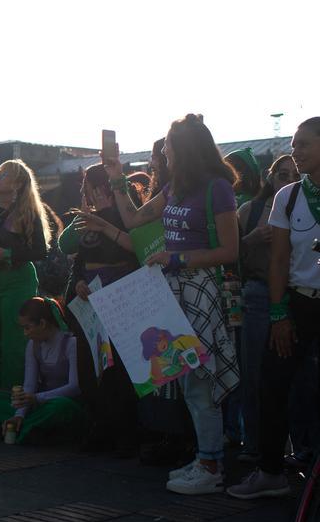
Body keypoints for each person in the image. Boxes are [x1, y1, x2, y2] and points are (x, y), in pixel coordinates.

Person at [106, 114, 239, 495]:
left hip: (200, 290)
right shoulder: (173, 189)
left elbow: (230, 250)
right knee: (187, 379)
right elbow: (133, 220)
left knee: (201, 382)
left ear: (184, 149)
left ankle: (211, 465)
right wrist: (117, 177)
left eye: (167, 144)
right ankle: (205, 457)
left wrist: (175, 258)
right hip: (173, 291)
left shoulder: (218, 189)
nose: (162, 151)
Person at [228, 118, 320, 500]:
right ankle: (270, 470)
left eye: (303, 143)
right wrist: (280, 314)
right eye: (294, 143)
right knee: (272, 383)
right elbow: (279, 259)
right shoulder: (289, 197)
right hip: (298, 302)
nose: (294, 150)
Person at [58, 164, 141, 456]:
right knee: (88, 365)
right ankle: (100, 426)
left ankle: (125, 433)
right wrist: (80, 279)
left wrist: (107, 213)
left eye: (90, 186)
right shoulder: (86, 219)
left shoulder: (127, 212)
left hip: (120, 293)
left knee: (118, 367)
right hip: (89, 295)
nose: (88, 191)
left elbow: (137, 250)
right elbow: (69, 247)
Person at [230, 155, 298, 463]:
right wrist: (253, 238)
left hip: (296, 295)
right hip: (256, 293)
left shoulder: (305, 209)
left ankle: (299, 447)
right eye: (282, 174)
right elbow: (231, 257)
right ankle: (254, 443)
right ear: (270, 177)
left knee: (299, 376)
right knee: (254, 373)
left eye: (293, 175)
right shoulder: (251, 210)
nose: (287, 179)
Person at [0, 159, 49, 396]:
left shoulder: (28, 211)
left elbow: (40, 251)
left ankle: (11, 402)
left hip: (17, 280)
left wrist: (8, 253)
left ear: (17, 183)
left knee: (14, 344)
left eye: (3, 174)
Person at [0, 297, 86, 444]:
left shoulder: (71, 343)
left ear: (42, 323)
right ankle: (25, 426)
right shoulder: (33, 345)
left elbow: (75, 387)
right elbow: (29, 385)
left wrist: (37, 398)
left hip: (60, 403)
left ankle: (12, 431)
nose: (25, 333)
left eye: (27, 327)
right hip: (38, 405)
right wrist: (20, 414)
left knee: (60, 407)